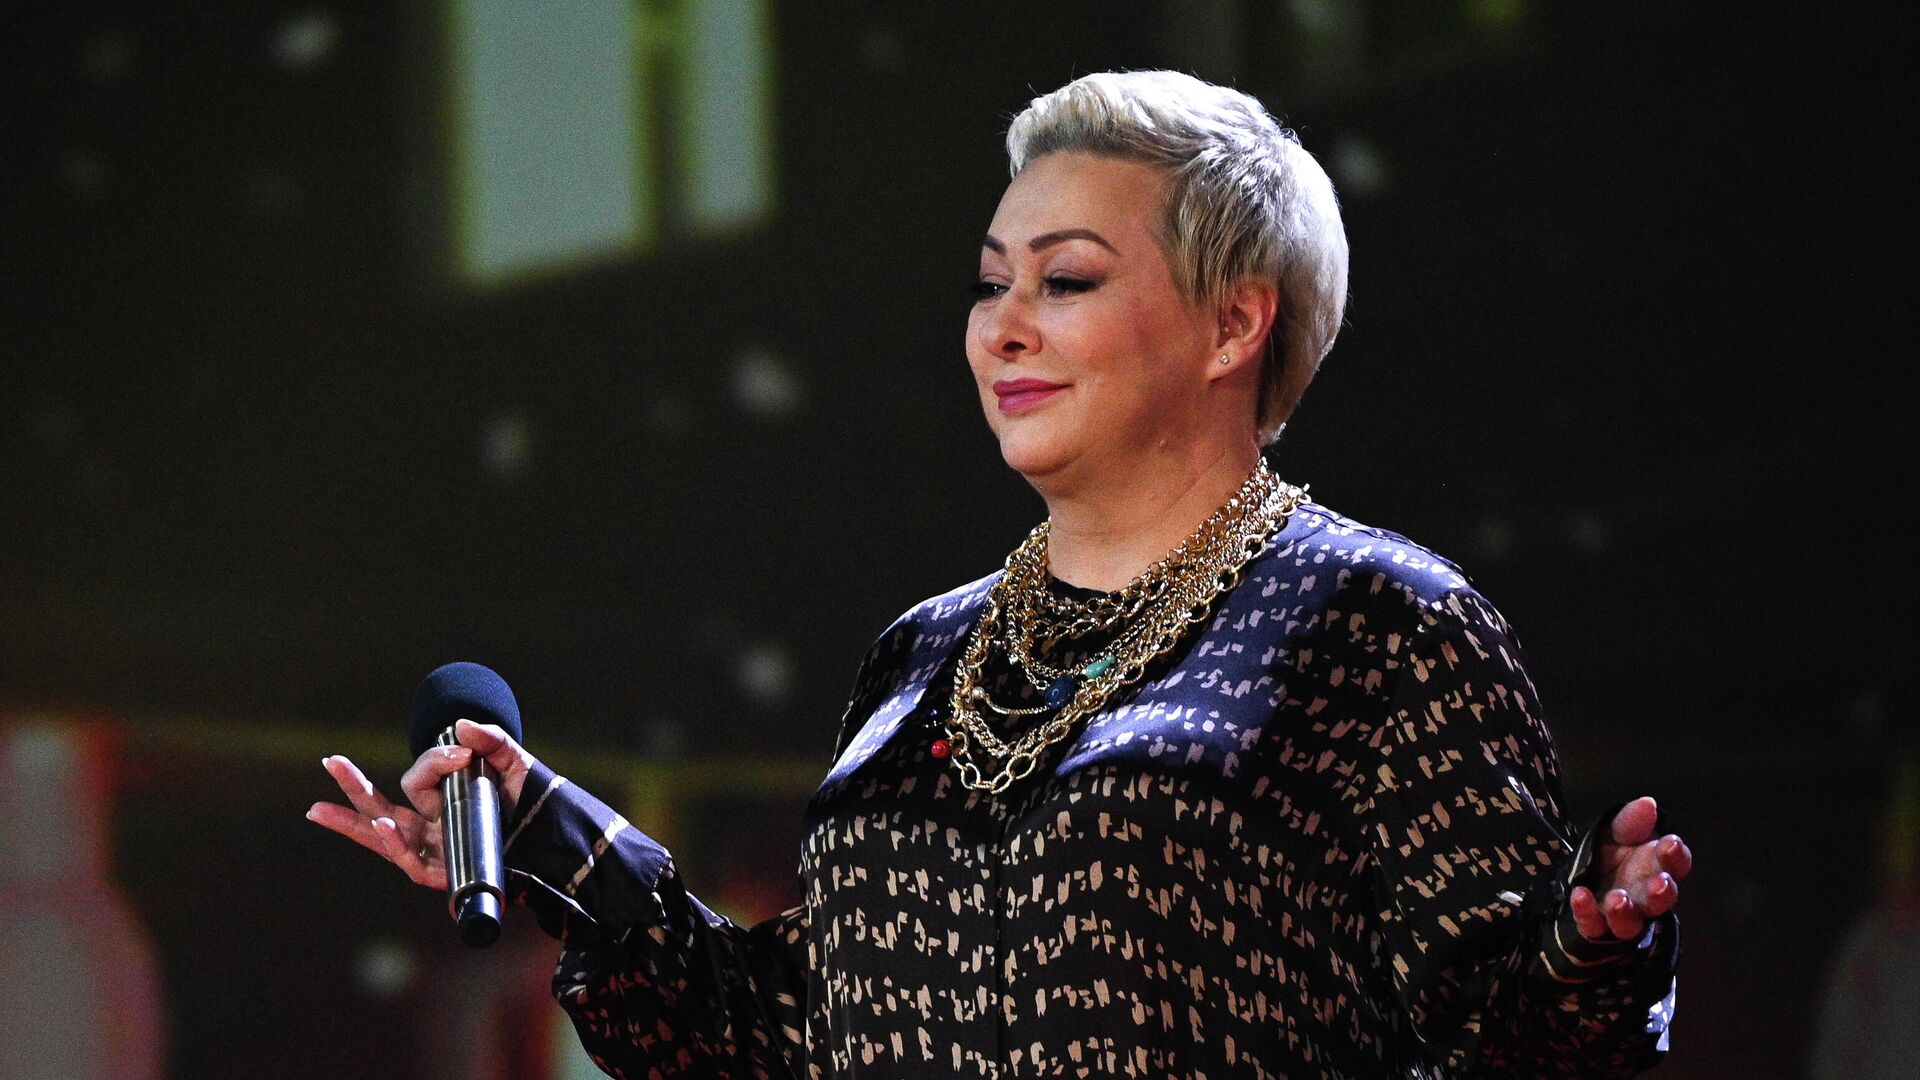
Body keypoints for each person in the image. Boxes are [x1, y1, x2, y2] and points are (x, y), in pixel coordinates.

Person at [309, 70, 1691, 1078]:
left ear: (1232, 324)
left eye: (1065, 281)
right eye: (991, 283)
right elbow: (786, 1042)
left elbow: (1506, 1039)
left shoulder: (1381, 624)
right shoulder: (926, 654)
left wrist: (1591, 950)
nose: (1002, 329)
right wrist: (541, 833)